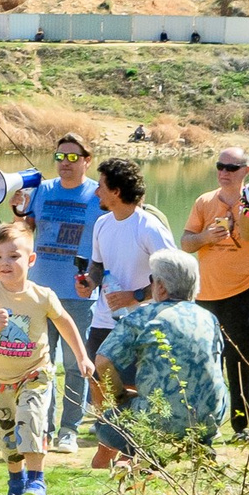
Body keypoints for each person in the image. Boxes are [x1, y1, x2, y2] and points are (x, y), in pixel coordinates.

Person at [0, 218, 93, 495]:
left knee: (32, 420)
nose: (5, 263)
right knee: (9, 435)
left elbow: (65, 323)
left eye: (14, 256)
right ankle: (16, 484)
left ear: (31, 259)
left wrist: (81, 355)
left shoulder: (42, 296)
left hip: (34, 374)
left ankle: (37, 479)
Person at [92, 249, 230, 465]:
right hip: (210, 418)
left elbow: (102, 361)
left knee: (105, 426)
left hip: (161, 420)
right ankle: (203, 447)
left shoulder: (143, 316)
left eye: (151, 280)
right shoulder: (208, 317)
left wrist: (118, 396)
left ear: (162, 287)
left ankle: (146, 455)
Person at [20, 133, 102, 451]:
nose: (65, 163)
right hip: (39, 291)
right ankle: (44, 427)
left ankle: (69, 429)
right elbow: (25, 232)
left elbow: (106, 241)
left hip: (78, 294)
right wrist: (19, 213)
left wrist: (98, 279)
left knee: (74, 364)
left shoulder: (98, 194)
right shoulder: (42, 190)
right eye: (60, 157)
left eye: (72, 157)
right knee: (42, 364)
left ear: (86, 160)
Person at [180, 145, 249, 434]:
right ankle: (201, 425)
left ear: (246, 171)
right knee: (202, 362)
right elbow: (186, 243)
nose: (223, 172)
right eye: (220, 166)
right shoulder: (204, 201)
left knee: (240, 363)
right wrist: (205, 236)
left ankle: (242, 425)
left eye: (231, 168)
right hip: (205, 294)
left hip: (244, 291)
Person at [89, 158, 176, 382]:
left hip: (141, 322)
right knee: (98, 384)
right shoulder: (101, 224)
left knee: (131, 390)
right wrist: (89, 282)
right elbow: (98, 266)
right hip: (102, 320)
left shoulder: (149, 227)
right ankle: (103, 419)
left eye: (101, 186)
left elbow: (172, 277)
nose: (97, 191)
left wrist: (135, 296)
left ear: (116, 192)